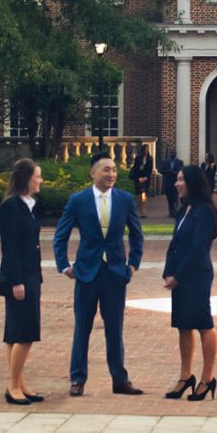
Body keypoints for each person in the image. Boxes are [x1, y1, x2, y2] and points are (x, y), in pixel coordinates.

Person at [53, 151, 145, 396]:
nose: (111, 174)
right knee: (82, 328)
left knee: (115, 329)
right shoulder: (78, 200)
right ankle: (77, 379)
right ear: (93, 173)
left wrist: (133, 264)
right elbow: (60, 236)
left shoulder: (125, 200)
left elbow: (136, 235)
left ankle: (119, 380)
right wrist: (64, 265)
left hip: (115, 273)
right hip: (86, 274)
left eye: (114, 170)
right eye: (106, 169)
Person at [162, 164, 217, 402]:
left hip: (196, 275)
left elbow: (197, 248)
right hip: (179, 276)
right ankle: (186, 377)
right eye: (176, 179)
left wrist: (179, 275)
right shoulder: (184, 209)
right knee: (183, 325)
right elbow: (174, 244)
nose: (176, 184)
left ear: (193, 183)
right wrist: (167, 271)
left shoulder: (205, 211)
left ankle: (207, 379)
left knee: (203, 324)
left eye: (181, 180)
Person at [0, 158, 44, 405]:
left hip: (31, 275)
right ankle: (13, 386)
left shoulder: (29, 205)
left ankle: (19, 382)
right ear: (26, 179)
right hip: (20, 277)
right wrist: (16, 281)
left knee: (16, 333)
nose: (41, 180)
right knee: (24, 333)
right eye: (37, 176)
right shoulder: (11, 206)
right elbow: (10, 247)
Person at [157, 149, 184, 219]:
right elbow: (160, 170)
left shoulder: (179, 162)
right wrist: (167, 171)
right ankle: (171, 212)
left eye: (174, 153)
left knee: (175, 197)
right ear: (169, 153)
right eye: (172, 153)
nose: (173, 154)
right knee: (169, 198)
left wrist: (176, 172)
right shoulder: (165, 162)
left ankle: (175, 211)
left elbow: (182, 170)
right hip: (168, 182)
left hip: (176, 182)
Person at [130, 146, 154, 211]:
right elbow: (135, 169)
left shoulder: (150, 159)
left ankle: (144, 210)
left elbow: (150, 169)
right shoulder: (138, 158)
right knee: (139, 194)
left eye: (148, 149)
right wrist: (138, 178)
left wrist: (146, 177)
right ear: (143, 150)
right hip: (138, 179)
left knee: (144, 194)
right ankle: (140, 208)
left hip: (146, 179)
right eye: (146, 149)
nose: (147, 151)